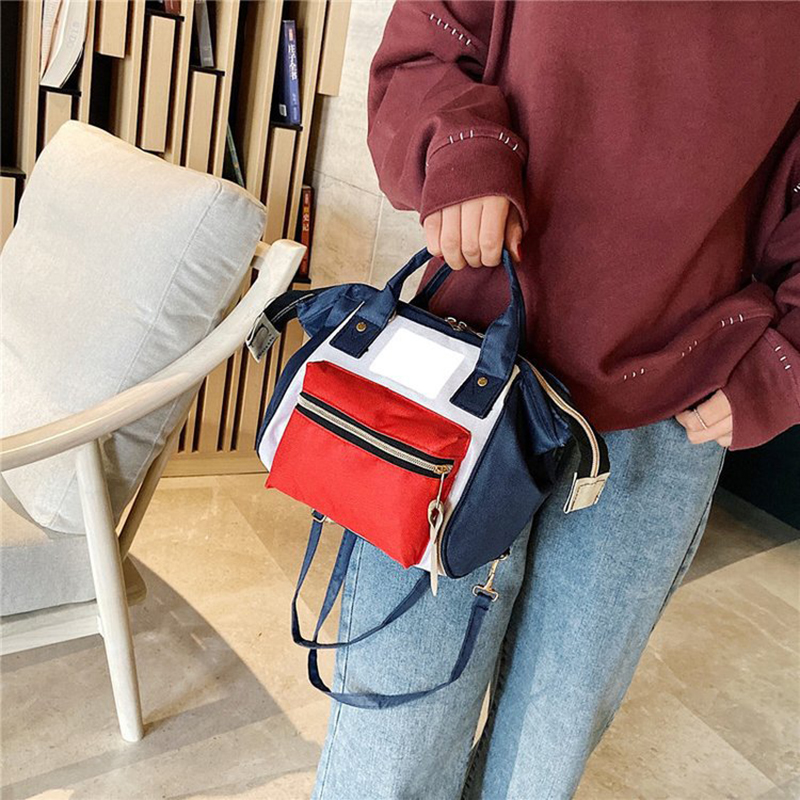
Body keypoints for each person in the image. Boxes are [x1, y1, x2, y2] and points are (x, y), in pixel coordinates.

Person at [311, 2, 800, 798]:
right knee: (389, 740)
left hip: (671, 401)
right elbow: (425, 47)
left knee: (543, 757)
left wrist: (786, 358)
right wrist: (461, 148)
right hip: (467, 368)